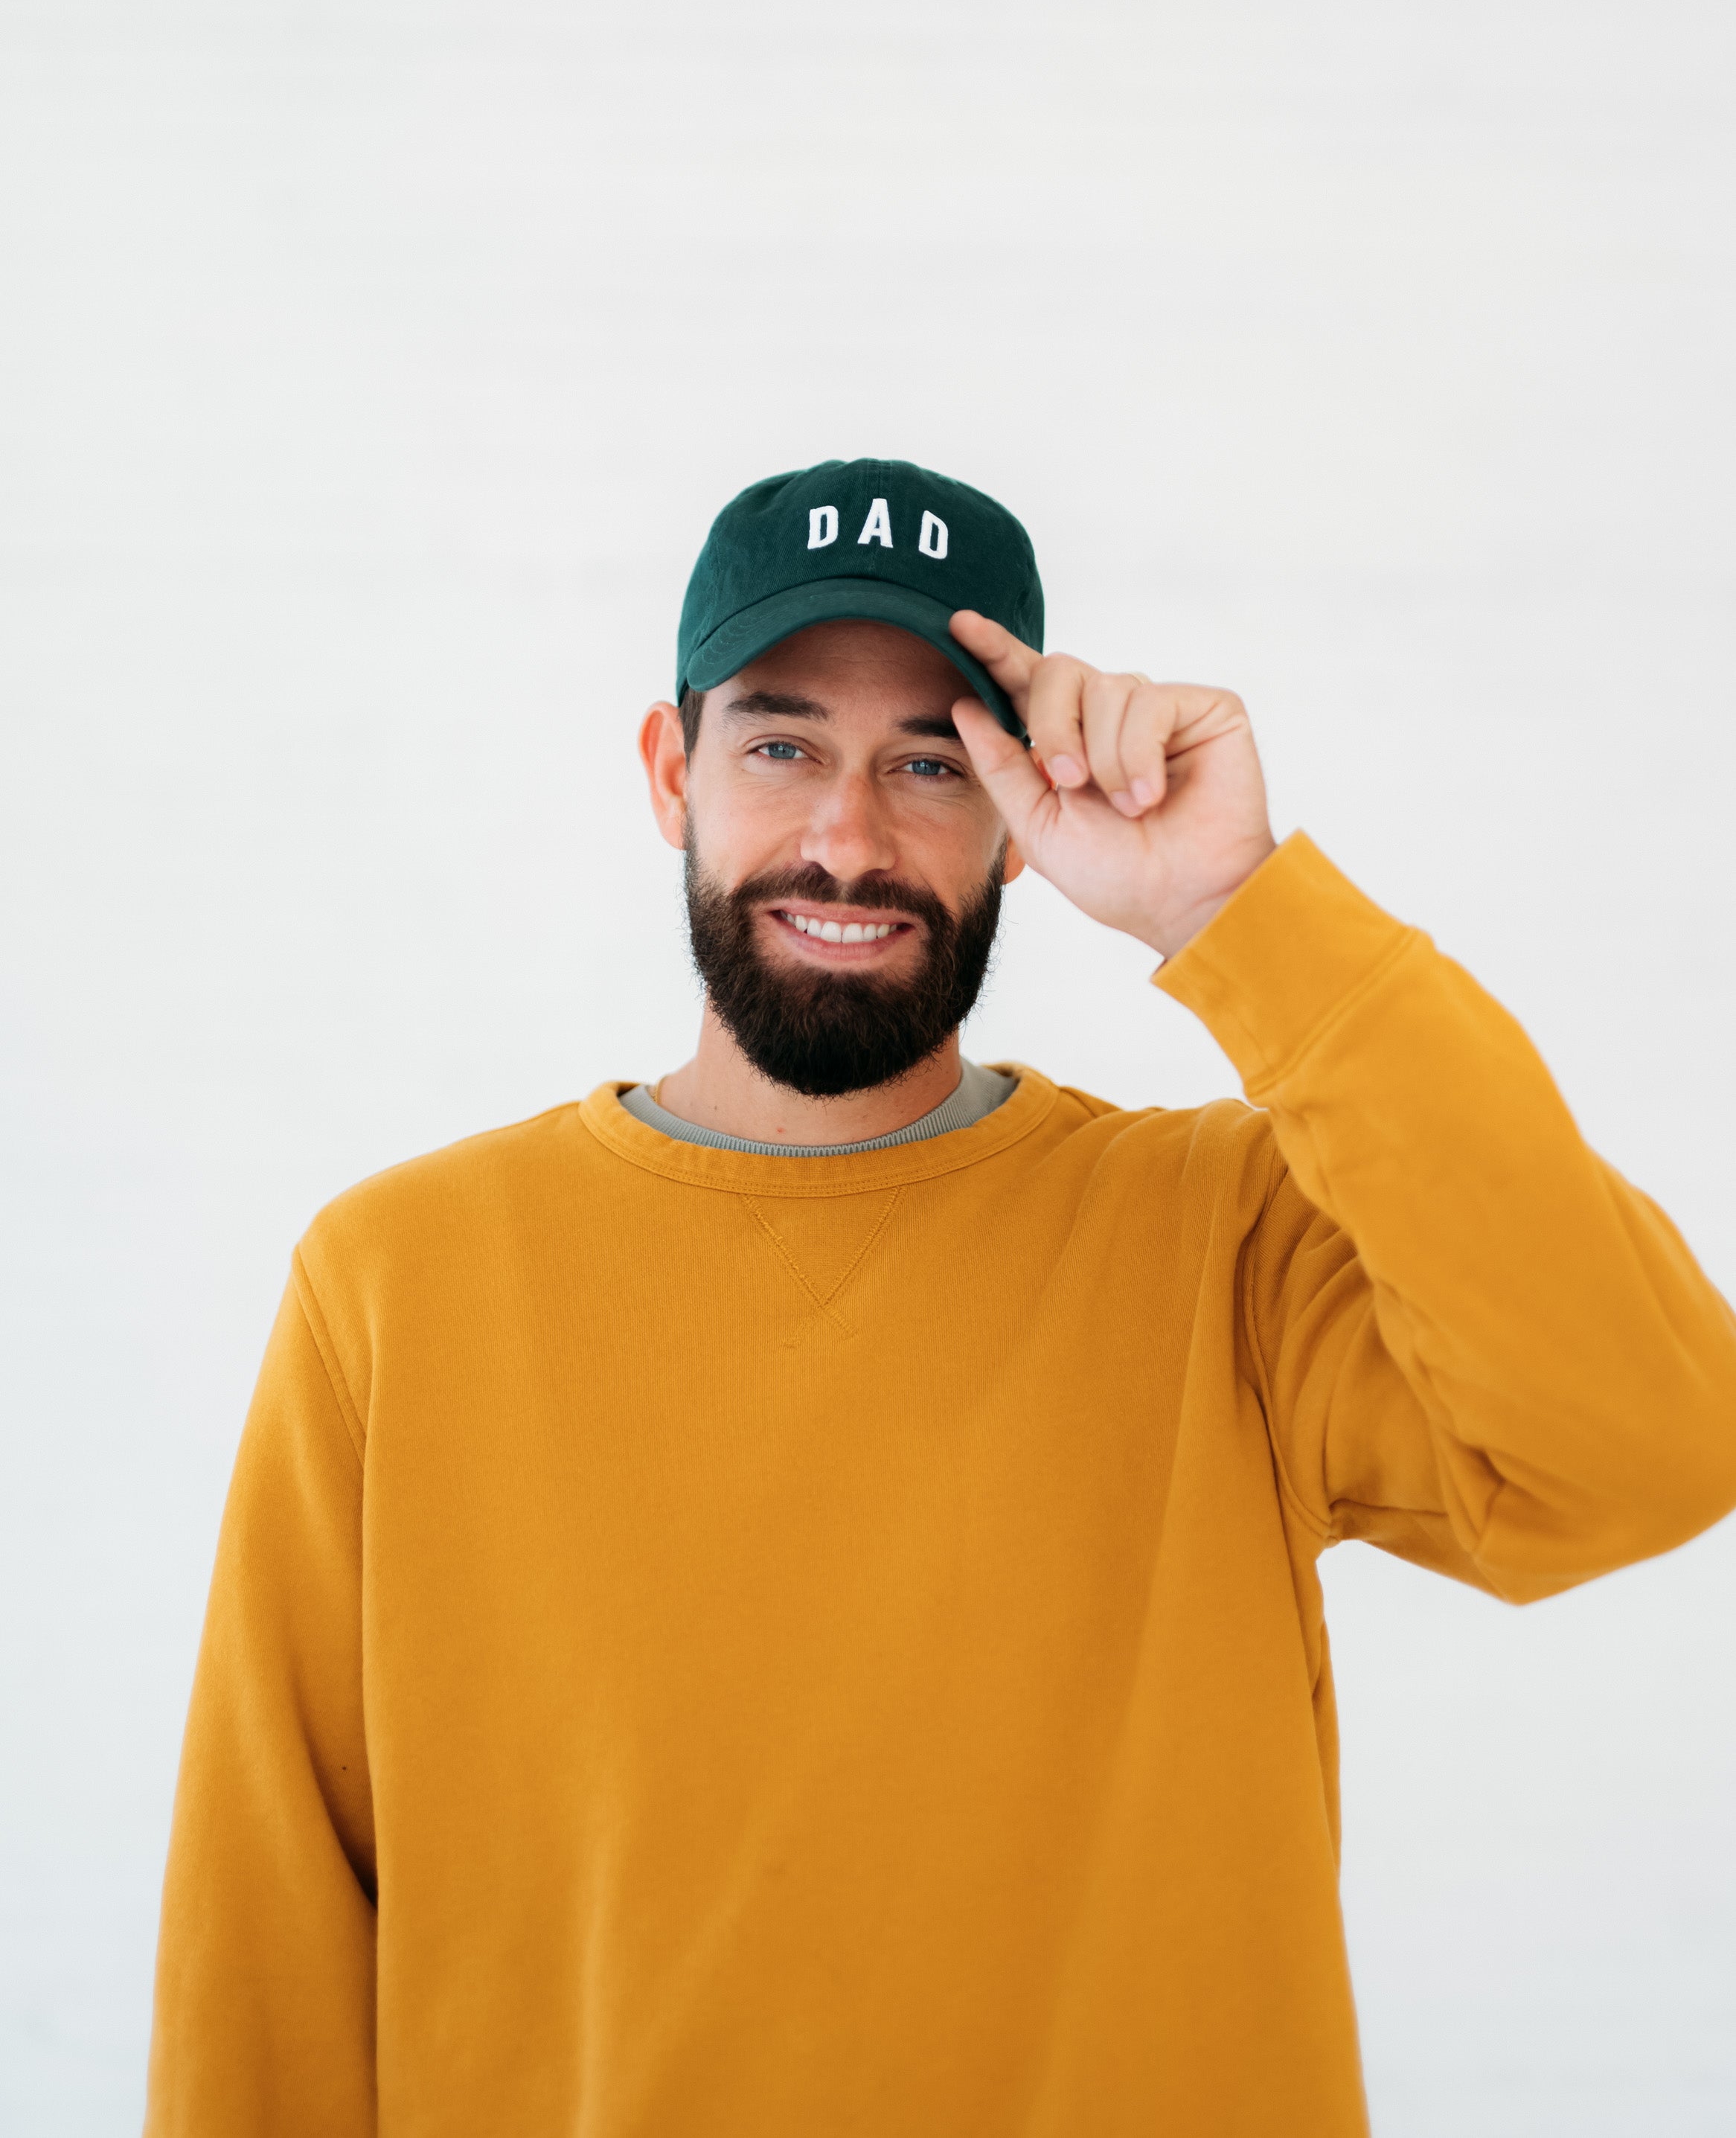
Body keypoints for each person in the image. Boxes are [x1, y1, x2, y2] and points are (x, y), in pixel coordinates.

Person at [147, 458, 1736, 2137]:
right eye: (782, 744)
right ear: (670, 768)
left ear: (1027, 815)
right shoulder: (400, 1279)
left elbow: (1654, 1441)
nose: (849, 837)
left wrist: (1241, 910)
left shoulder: (1230, 1244)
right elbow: (273, 1942)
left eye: (931, 760)